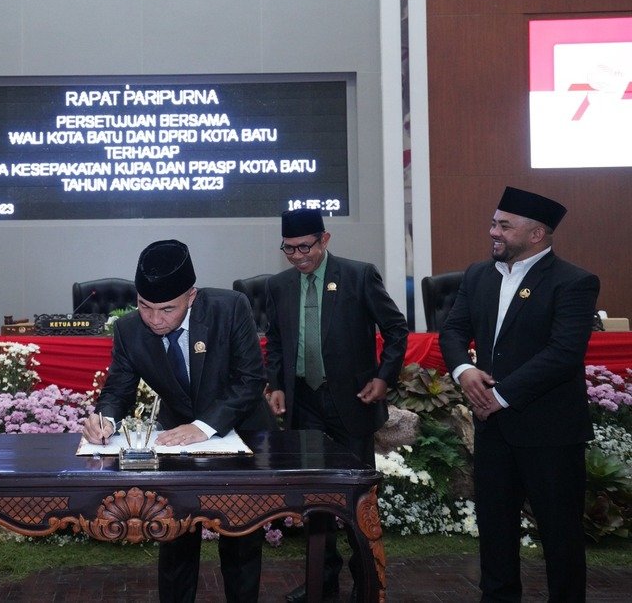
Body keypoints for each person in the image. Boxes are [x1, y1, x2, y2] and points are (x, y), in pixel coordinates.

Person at [82, 239, 275, 602]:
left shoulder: (230, 308)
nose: (156, 319)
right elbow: (118, 389)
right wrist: (104, 419)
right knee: (174, 537)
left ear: (192, 296)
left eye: (167, 309)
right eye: (145, 306)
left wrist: (202, 427)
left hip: (240, 434)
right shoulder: (128, 330)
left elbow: (250, 380)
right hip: (176, 442)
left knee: (241, 544)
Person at [439, 186, 599, 602]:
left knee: (560, 538)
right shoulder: (478, 275)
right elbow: (454, 330)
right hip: (493, 431)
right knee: (495, 533)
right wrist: (464, 369)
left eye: (504, 226)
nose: (493, 232)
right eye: (494, 223)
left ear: (537, 234)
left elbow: (564, 354)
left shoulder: (574, 282)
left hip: (550, 433)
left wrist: (500, 395)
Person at [264, 209, 408, 603]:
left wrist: (383, 377)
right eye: (289, 249)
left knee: (355, 497)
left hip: (350, 403)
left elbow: (396, 328)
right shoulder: (278, 286)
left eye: (304, 247)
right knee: (313, 500)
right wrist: (275, 384)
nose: (297, 256)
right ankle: (321, 581)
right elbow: (276, 341)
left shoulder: (358, 275)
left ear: (324, 240)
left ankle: (367, 581)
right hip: (303, 403)